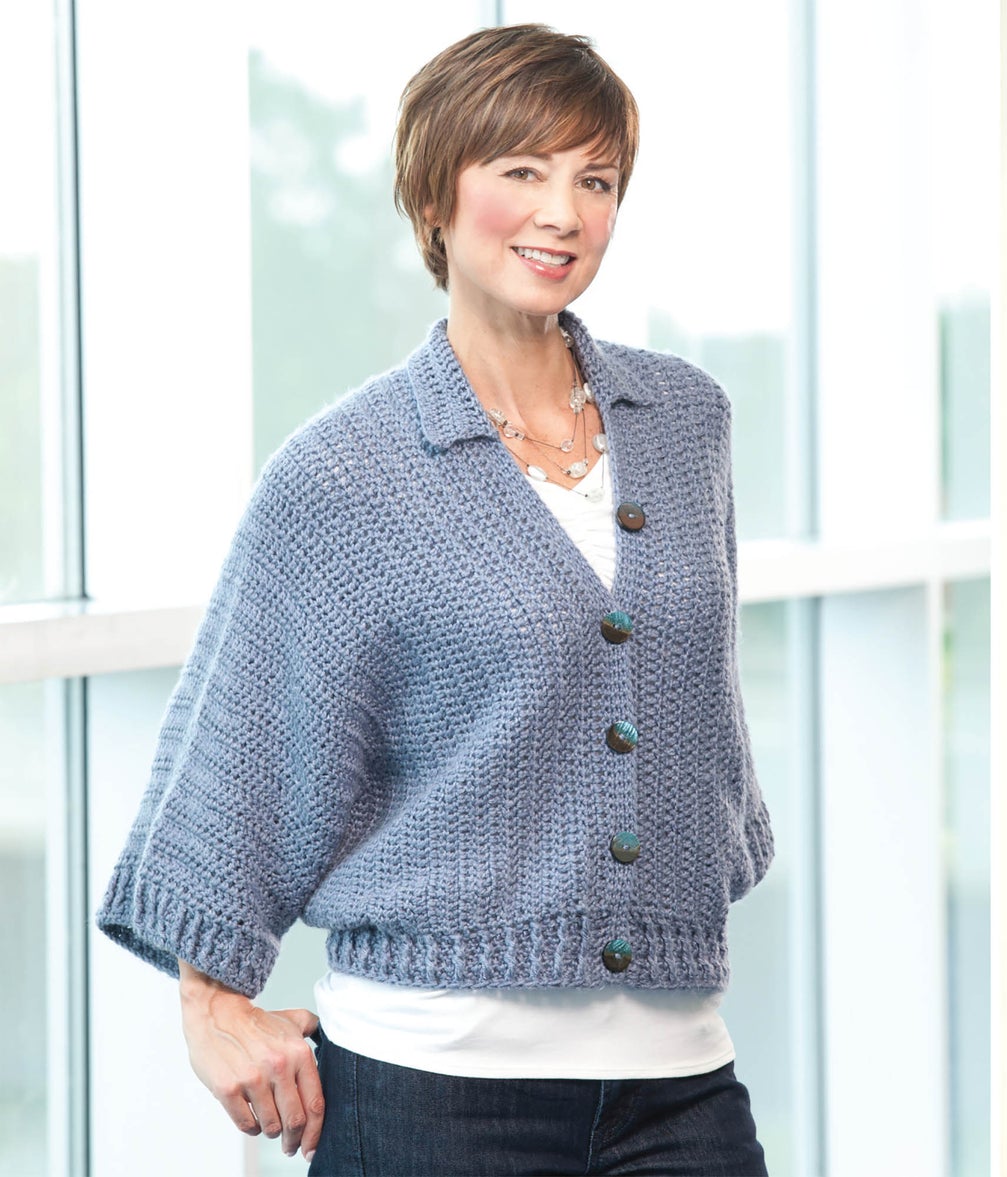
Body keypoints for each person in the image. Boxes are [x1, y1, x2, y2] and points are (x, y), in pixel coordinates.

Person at [94, 24, 772, 1176]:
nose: (562, 211)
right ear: (433, 197)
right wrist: (210, 1005)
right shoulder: (344, 472)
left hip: (680, 1079)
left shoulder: (685, 421)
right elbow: (249, 740)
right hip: (429, 1093)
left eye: (595, 180)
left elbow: (689, 693)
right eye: (522, 171)